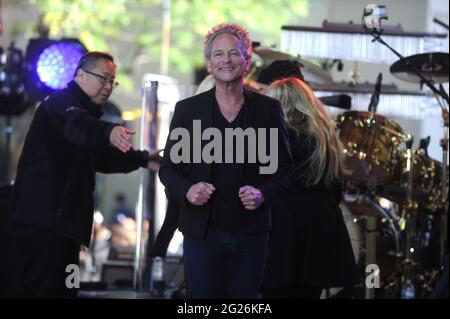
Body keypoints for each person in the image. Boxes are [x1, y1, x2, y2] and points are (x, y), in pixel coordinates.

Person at [8, 51, 161, 298]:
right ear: (80, 74)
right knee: (45, 291)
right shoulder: (59, 103)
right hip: (44, 228)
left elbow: (99, 157)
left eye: (112, 81)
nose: (108, 86)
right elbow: (78, 127)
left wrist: (144, 159)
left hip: (67, 231)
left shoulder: (86, 115)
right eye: (103, 78)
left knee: (68, 290)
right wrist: (108, 132)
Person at [159, 23, 293, 299]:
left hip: (251, 235)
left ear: (246, 62)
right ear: (209, 63)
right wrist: (188, 190)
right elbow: (168, 169)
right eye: (218, 54)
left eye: (234, 53)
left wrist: (262, 194)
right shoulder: (188, 111)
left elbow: (285, 170)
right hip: (202, 234)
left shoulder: (268, 110)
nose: (226, 60)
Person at [261, 74, 358, 299]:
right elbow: (336, 188)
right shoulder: (326, 138)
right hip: (320, 230)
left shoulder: (274, 138)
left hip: (282, 230)